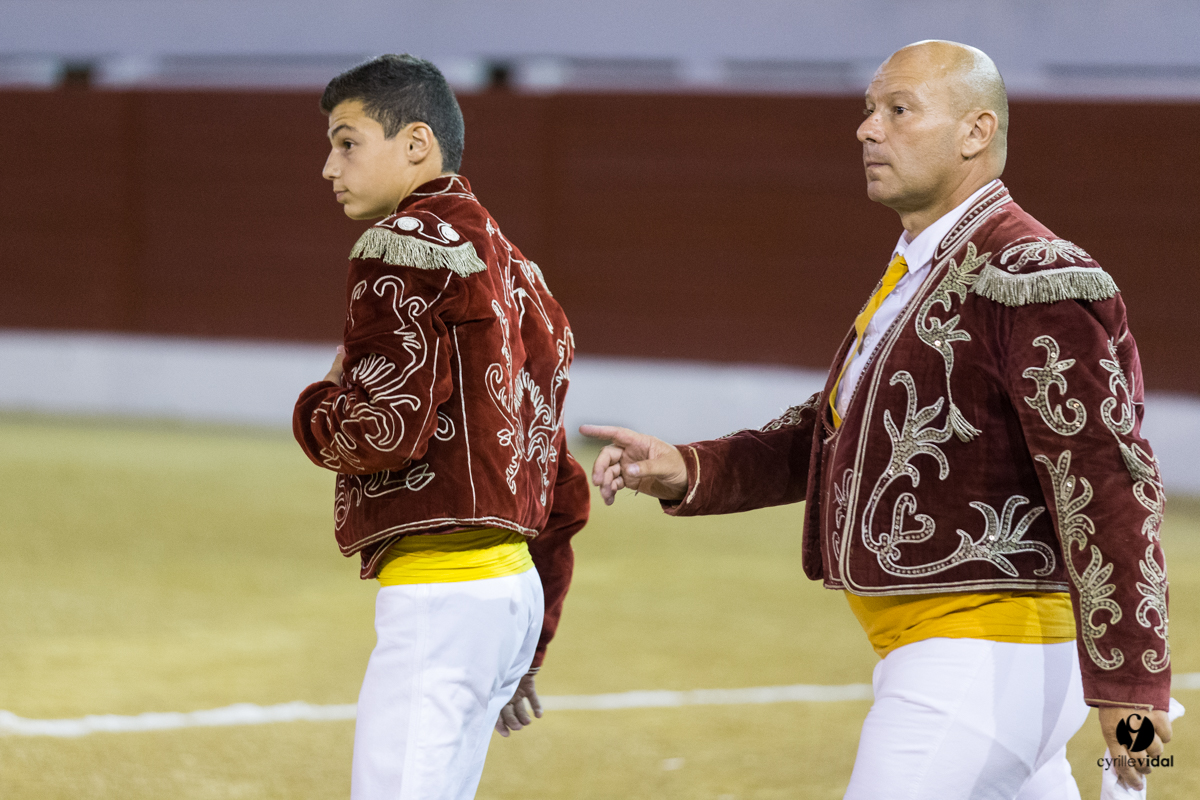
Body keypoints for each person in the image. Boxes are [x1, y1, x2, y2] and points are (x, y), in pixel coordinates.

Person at [583, 40, 1172, 799]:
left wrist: (1134, 691)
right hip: (965, 657)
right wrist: (691, 468)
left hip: (981, 656)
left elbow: (1106, 483)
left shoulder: (1031, 275)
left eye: (899, 110)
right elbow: (833, 438)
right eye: (868, 110)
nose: (867, 129)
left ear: (974, 131)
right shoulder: (924, 269)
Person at [293, 54, 589, 800]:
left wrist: (317, 404)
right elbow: (562, 482)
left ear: (416, 143)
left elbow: (385, 428)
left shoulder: (404, 245)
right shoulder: (521, 272)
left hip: (443, 593)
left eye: (347, 141)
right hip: (511, 591)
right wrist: (531, 639)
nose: (329, 167)